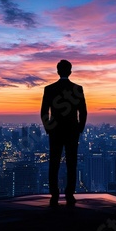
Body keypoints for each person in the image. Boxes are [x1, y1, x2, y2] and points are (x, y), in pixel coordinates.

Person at [40, 60, 87, 207]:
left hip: (55, 131)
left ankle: (54, 193)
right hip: (72, 131)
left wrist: (49, 129)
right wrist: (79, 128)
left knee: (54, 162)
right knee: (71, 163)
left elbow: (44, 112)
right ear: (70, 71)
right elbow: (83, 112)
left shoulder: (49, 89)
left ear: (57, 71)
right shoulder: (77, 89)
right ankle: (69, 193)